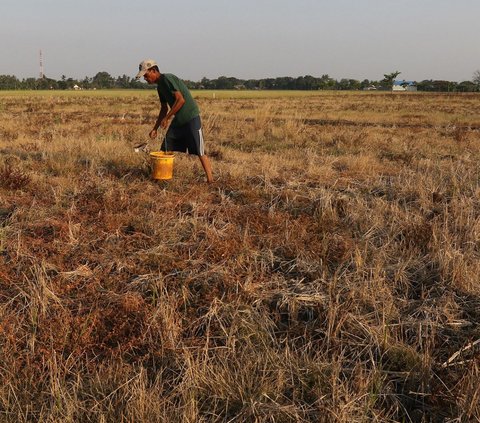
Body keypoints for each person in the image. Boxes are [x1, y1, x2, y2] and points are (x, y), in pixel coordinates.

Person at [136, 59, 213, 183]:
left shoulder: (167, 79)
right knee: (165, 147)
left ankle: (211, 181)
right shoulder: (160, 88)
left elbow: (180, 100)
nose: (145, 78)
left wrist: (167, 118)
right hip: (178, 120)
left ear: (154, 70)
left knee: (200, 150)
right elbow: (163, 108)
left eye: (146, 75)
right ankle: (160, 177)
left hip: (191, 117)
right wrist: (155, 128)